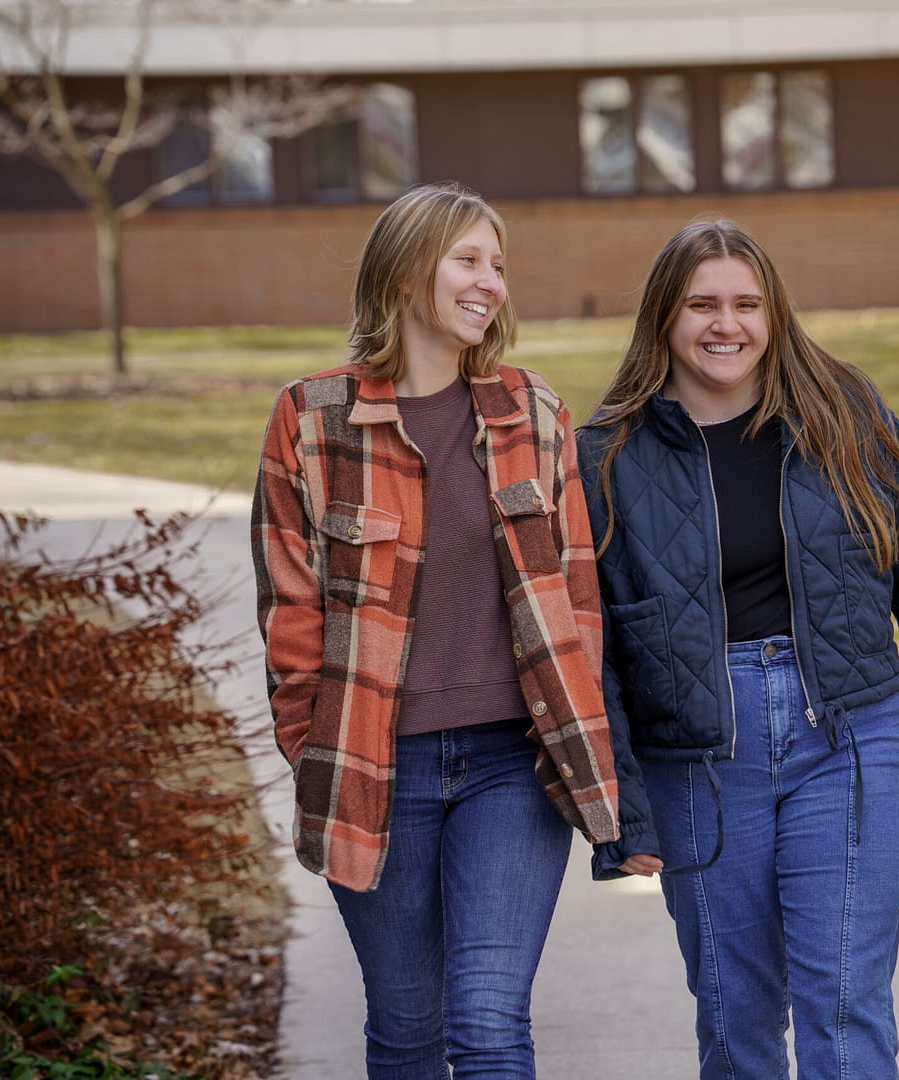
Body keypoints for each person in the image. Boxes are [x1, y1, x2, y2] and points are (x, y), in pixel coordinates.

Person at [576, 217, 899, 1080]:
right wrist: (621, 815)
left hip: (846, 736)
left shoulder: (845, 417)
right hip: (698, 759)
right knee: (735, 1016)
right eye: (702, 305)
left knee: (844, 1000)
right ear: (663, 320)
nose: (728, 325)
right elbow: (592, 648)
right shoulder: (606, 459)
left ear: (775, 313)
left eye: (748, 304)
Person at [251, 181, 621, 1079]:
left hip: (511, 763)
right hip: (377, 765)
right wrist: (312, 744)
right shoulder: (312, 418)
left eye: (498, 264)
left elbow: (576, 595)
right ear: (407, 268)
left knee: (489, 1025)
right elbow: (289, 606)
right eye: (468, 259)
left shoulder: (533, 412)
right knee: (407, 1030)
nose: (490, 281)